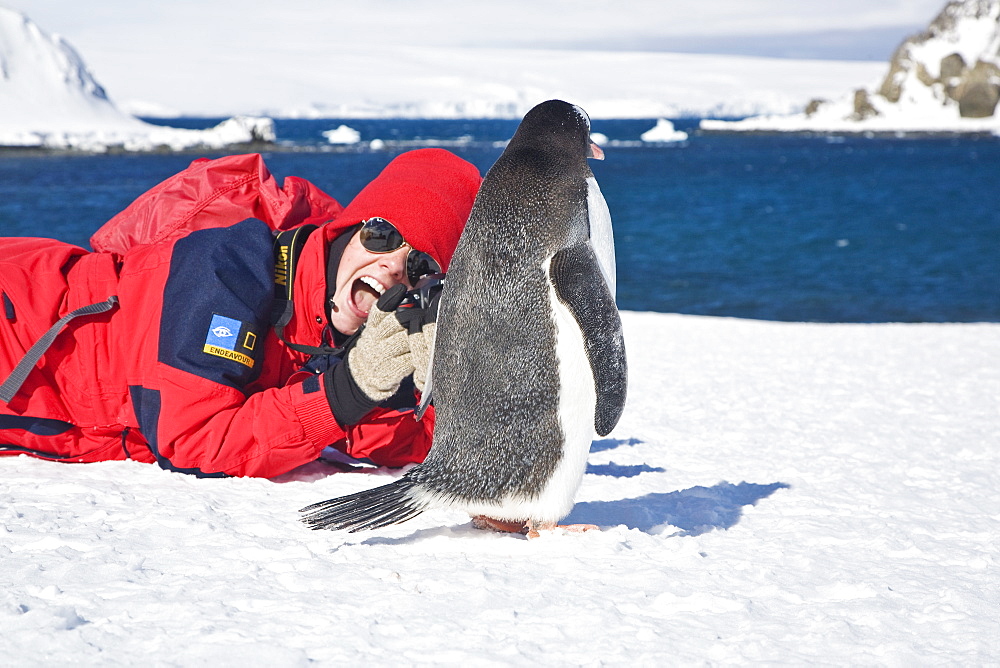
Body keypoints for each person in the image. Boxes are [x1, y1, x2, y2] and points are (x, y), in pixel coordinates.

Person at [0, 148, 482, 478]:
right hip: (18, 318)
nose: (392, 265)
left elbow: (411, 441)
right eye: (381, 236)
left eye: (420, 263)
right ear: (346, 231)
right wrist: (350, 388)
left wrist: (434, 379)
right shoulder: (227, 270)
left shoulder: (338, 337)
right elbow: (192, 438)